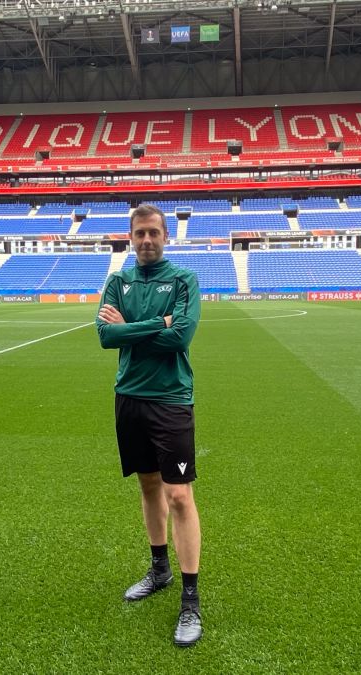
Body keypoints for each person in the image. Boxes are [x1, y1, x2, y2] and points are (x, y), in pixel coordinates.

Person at [96, 203, 203, 647]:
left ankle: (191, 599)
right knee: (147, 486)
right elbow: (105, 336)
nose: (145, 240)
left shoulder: (183, 279)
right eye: (138, 233)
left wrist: (131, 327)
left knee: (179, 494)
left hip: (171, 400)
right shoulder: (118, 280)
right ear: (130, 236)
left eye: (152, 233)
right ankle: (159, 570)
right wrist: (154, 323)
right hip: (130, 398)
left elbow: (180, 336)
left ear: (165, 236)